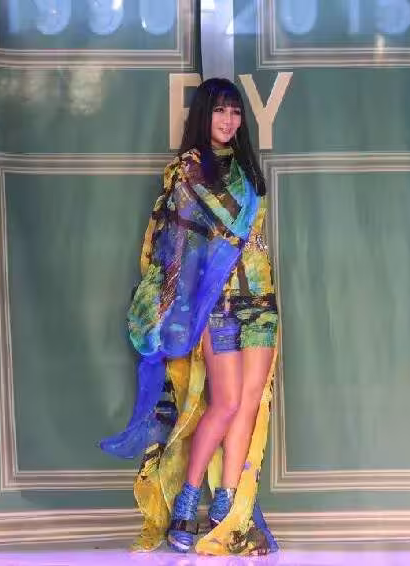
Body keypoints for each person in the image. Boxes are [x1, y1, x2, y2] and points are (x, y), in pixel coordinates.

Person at [100, 77, 280, 556]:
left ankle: (226, 508)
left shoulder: (247, 169)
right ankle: (187, 499)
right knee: (224, 403)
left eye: (235, 112)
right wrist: (169, 307)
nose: (229, 120)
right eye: (220, 110)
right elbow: (176, 245)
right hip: (216, 305)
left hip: (261, 300)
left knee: (248, 404)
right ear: (204, 114)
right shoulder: (187, 170)